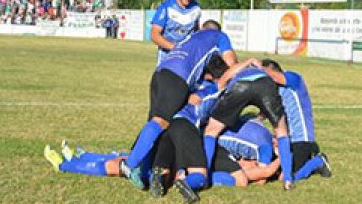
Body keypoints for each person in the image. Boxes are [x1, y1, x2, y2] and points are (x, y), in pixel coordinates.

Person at [121, 20, 238, 189]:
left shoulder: (192, 37)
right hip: (178, 78)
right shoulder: (220, 36)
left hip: (160, 73)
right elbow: (231, 65)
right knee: (162, 122)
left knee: (156, 123)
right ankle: (130, 165)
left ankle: (144, 170)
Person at [201, 61, 297, 190]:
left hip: (240, 84)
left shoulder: (241, 69)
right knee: (282, 131)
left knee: (211, 131)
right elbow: (263, 175)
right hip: (265, 84)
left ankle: (204, 174)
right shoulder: (265, 143)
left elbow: (225, 78)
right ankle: (288, 180)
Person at [261, 59, 332, 183]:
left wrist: (254, 68)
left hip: (301, 138)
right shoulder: (274, 91)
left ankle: (318, 162)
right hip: (286, 139)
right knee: (270, 171)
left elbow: (276, 77)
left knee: (289, 176)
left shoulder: (293, 79)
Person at [210, 116, 282, 187]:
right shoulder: (266, 147)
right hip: (214, 143)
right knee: (240, 179)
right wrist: (282, 157)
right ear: (275, 143)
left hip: (211, 131)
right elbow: (263, 176)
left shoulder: (263, 129)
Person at [150, 0, 201, 64]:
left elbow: (197, 32)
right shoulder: (166, 7)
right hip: (166, 58)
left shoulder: (196, 8)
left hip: (187, 59)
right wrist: (175, 48)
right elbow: (154, 35)